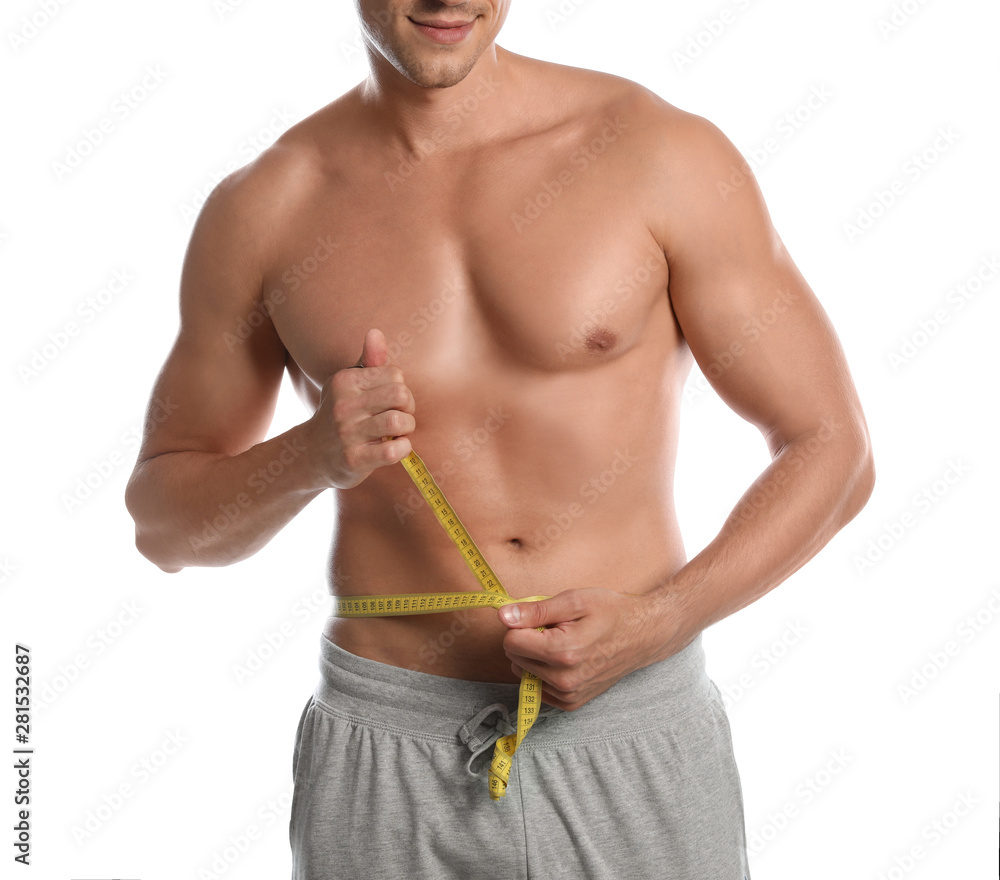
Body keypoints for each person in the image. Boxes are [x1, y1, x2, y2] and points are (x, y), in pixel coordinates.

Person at [125, 2, 875, 877]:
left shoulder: (656, 153)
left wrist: (664, 620)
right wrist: (309, 456)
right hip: (388, 747)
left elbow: (834, 448)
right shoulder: (265, 208)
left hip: (630, 727)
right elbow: (165, 528)